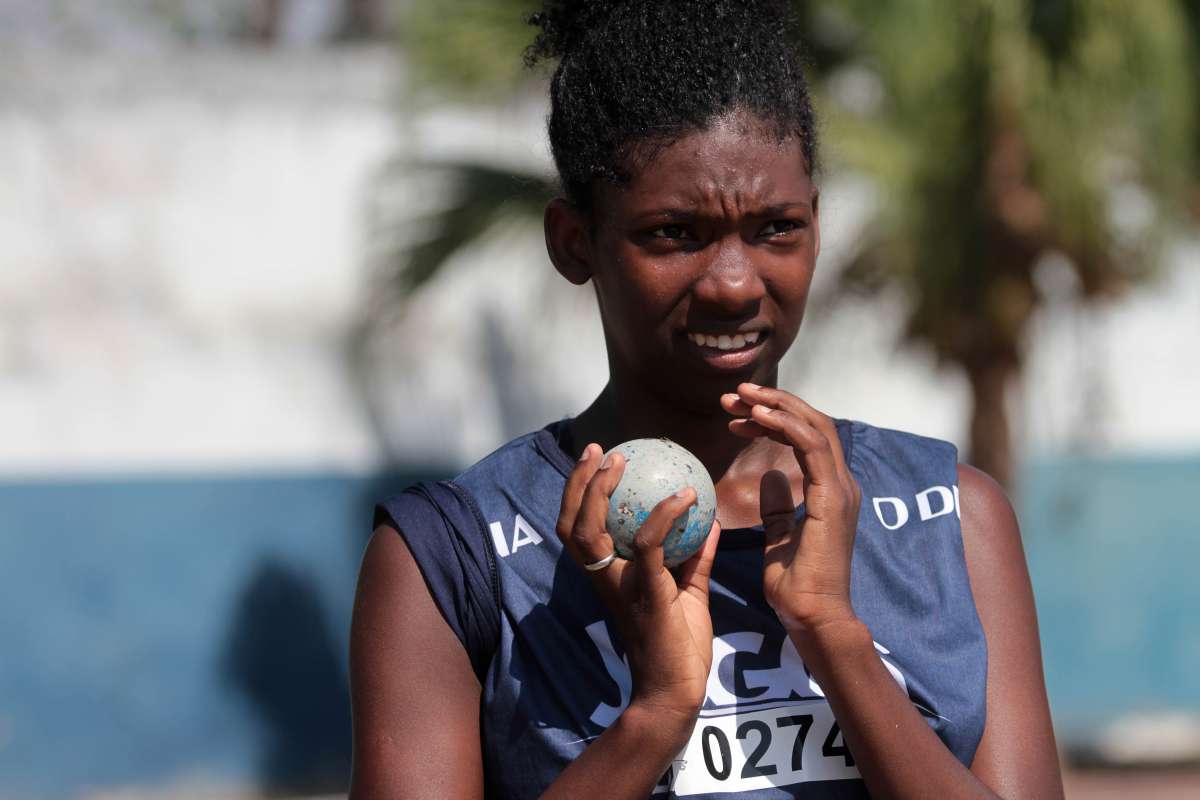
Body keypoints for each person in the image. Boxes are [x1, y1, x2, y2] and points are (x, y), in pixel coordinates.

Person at [348, 1, 1063, 797]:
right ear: (573, 241)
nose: (733, 283)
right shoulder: (452, 558)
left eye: (776, 228)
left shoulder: (949, 519)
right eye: (673, 234)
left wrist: (834, 635)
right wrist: (656, 715)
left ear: (817, 226)